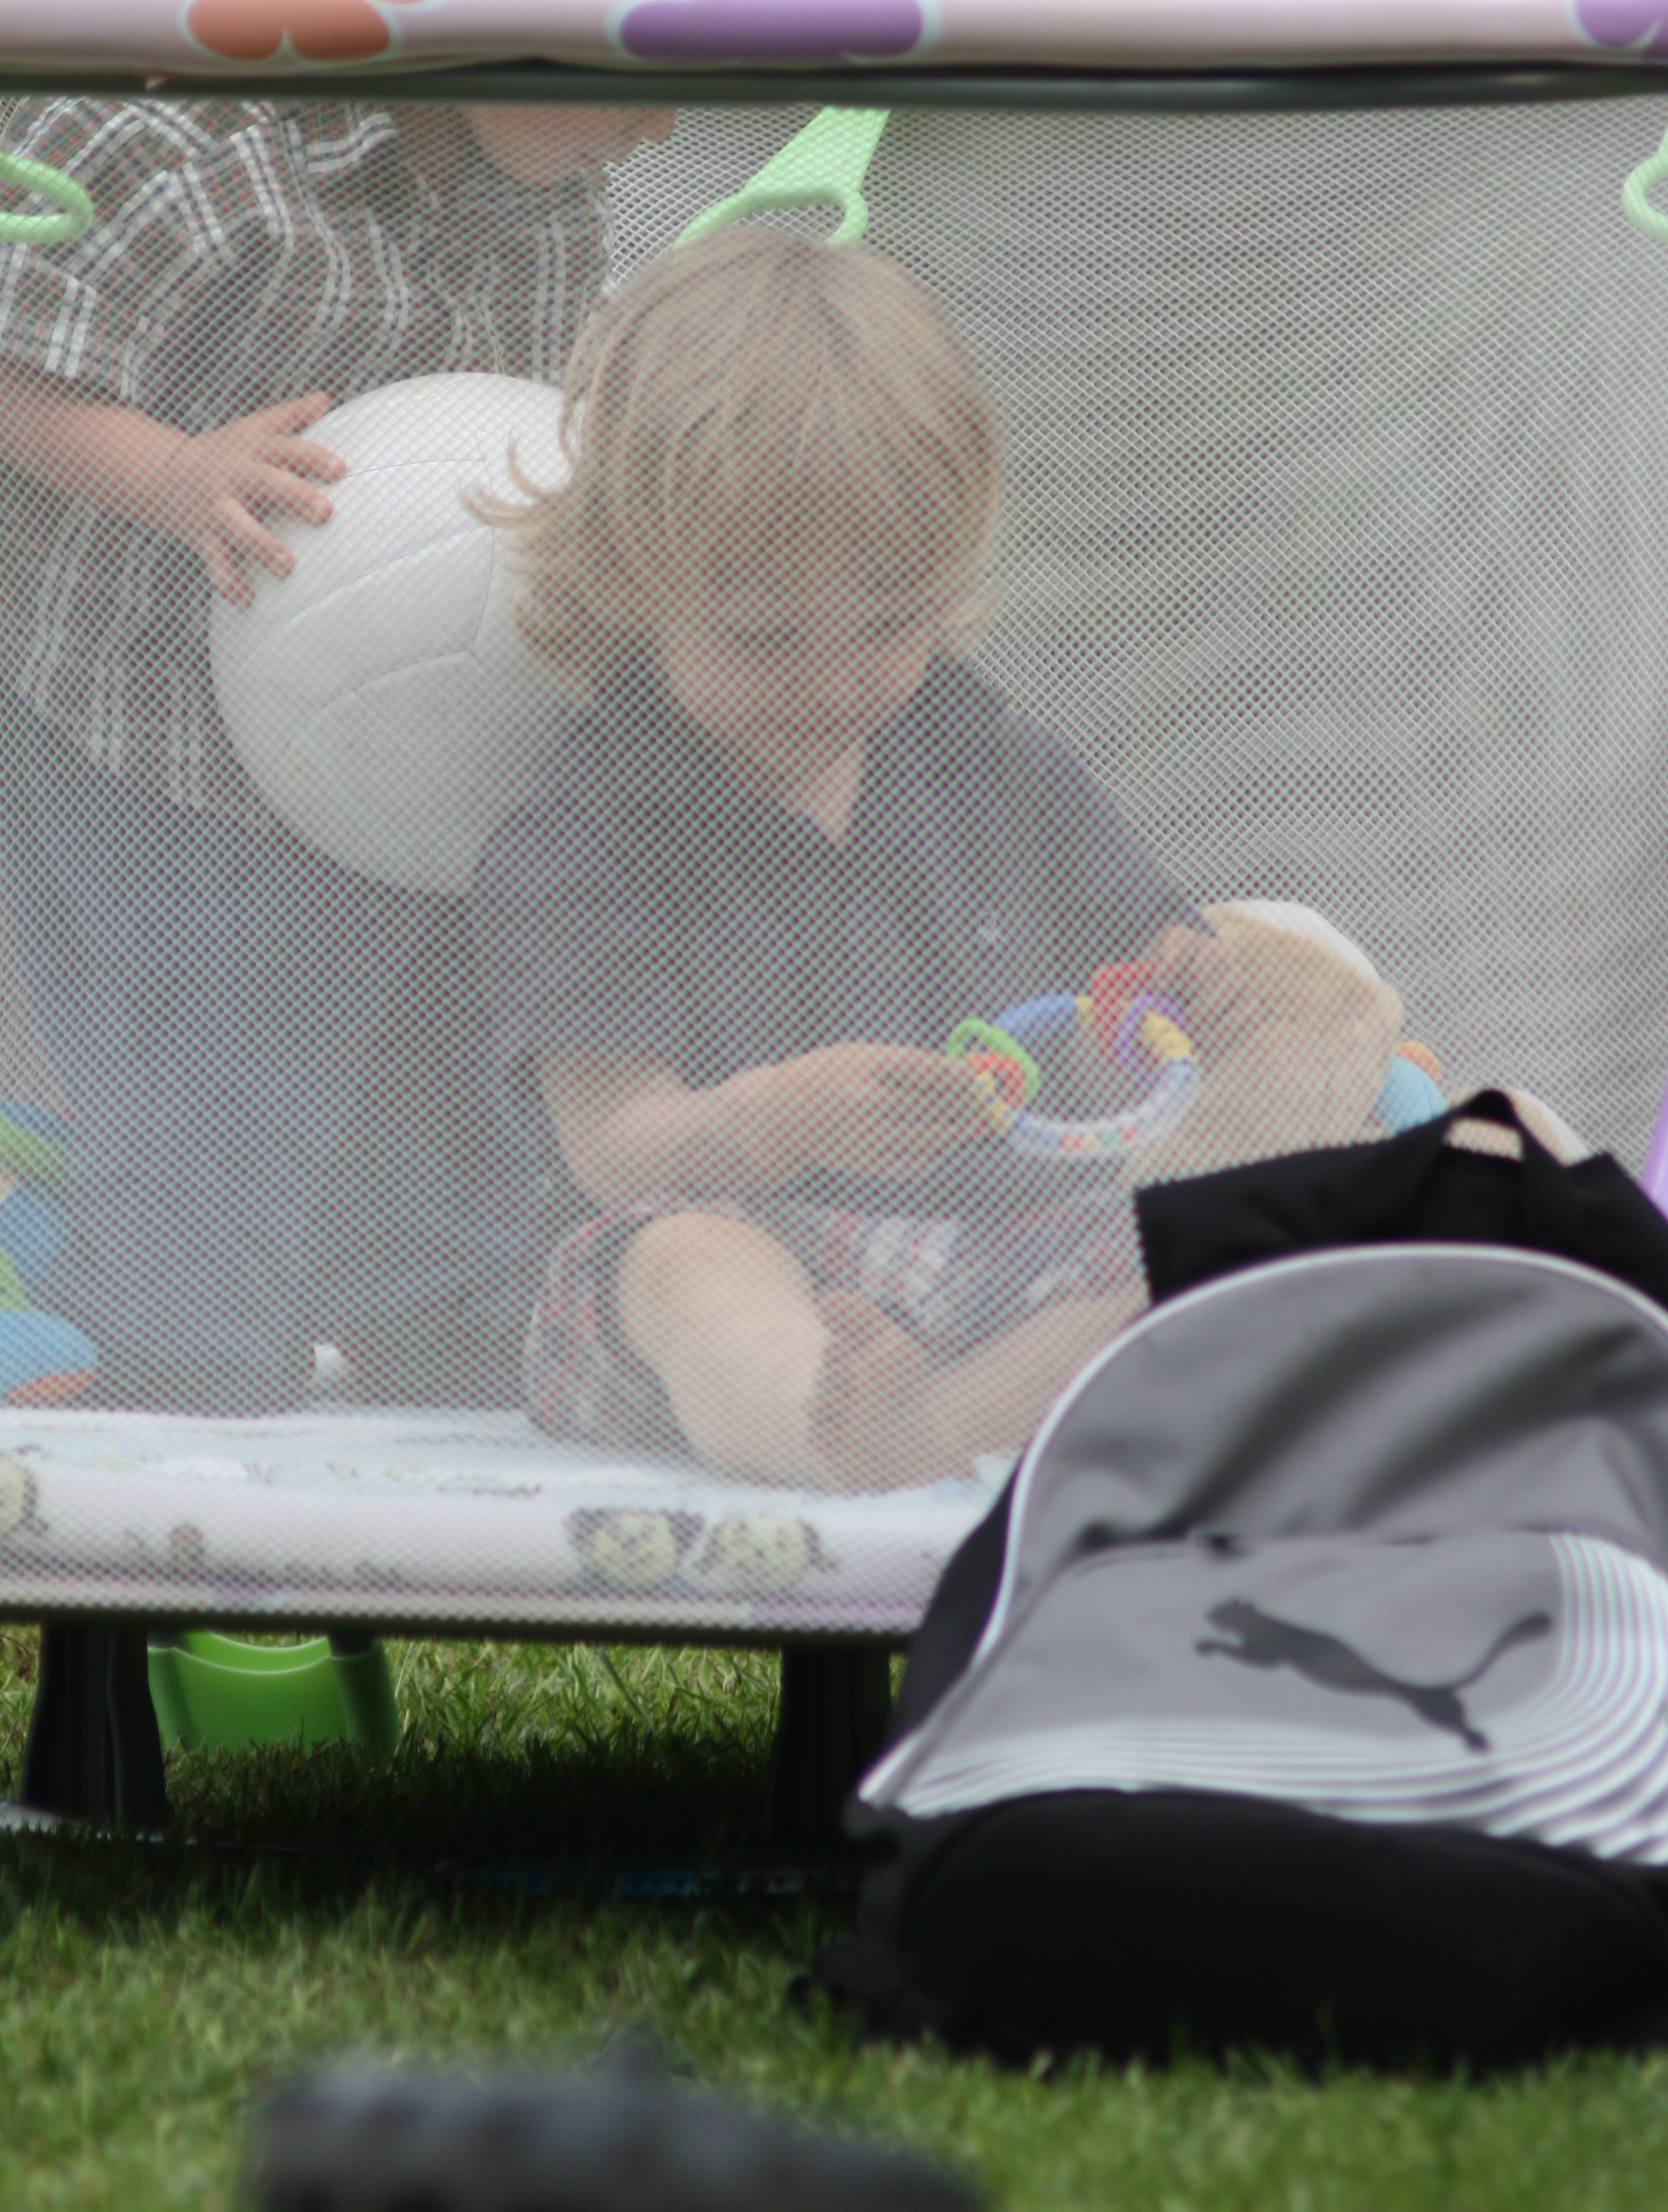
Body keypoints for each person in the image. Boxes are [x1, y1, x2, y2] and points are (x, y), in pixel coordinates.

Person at [0, 0, 844, 1410]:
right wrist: (177, 476)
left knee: (437, 1081)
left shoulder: (541, 194)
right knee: (211, 1130)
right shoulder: (201, 123)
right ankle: (110, 1310)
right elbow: (2, 358)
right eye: (641, 67)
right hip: (141, 733)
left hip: (394, 759)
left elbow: (512, 444)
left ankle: (445, 1311)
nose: (660, 123)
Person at [469, 227, 1405, 1491]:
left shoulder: (986, 760)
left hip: (1000, 1251)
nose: (835, 683)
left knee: (1212, 1251)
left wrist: (1165, 1009)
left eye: (888, 623)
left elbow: (1106, 1025)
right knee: (683, 1265)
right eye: (766, 638)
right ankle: (813, 1420)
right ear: (634, 584)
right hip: (731, 1250)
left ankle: (929, 1427)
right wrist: (773, 1119)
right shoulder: (586, 826)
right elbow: (613, 1144)